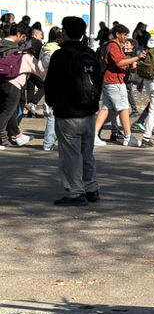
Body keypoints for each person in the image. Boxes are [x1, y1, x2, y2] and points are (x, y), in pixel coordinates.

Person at [44, 16, 105, 206]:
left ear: (64, 32)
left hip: (68, 111)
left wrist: (52, 103)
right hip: (88, 110)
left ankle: (75, 193)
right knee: (87, 153)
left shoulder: (61, 55)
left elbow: (51, 83)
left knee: (70, 155)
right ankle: (91, 188)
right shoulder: (89, 53)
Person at [94, 24, 145, 147]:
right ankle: (128, 136)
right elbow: (119, 62)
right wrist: (136, 58)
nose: (125, 38)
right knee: (124, 108)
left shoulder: (109, 45)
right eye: (124, 35)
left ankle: (93, 134)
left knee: (106, 108)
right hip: (115, 81)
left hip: (108, 80)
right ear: (118, 34)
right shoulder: (114, 46)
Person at [0, 32, 42, 149]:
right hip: (14, 86)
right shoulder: (29, 57)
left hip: (3, 82)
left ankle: (17, 136)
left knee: (10, 112)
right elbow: (40, 74)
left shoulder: (18, 53)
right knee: (6, 113)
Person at [39, 26, 65, 151]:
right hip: (60, 83)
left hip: (48, 81)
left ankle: (49, 142)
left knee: (53, 113)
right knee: (56, 115)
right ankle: (49, 142)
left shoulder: (45, 48)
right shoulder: (58, 50)